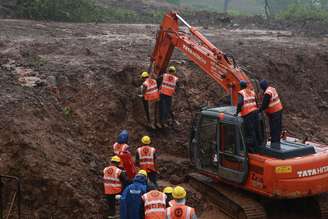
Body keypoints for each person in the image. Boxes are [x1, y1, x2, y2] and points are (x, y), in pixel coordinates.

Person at [235, 80, 261, 151]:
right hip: (255, 112)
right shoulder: (252, 92)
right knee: (256, 129)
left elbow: (240, 103)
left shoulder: (241, 93)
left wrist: (237, 112)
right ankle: (259, 145)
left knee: (250, 131)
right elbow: (256, 102)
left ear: (240, 86)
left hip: (248, 114)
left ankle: (252, 149)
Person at [259, 79, 283, 149]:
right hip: (278, 110)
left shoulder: (267, 93)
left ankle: (275, 144)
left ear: (262, 87)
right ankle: (276, 141)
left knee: (274, 128)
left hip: (274, 112)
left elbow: (265, 105)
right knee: (277, 127)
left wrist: (259, 110)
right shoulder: (271, 89)